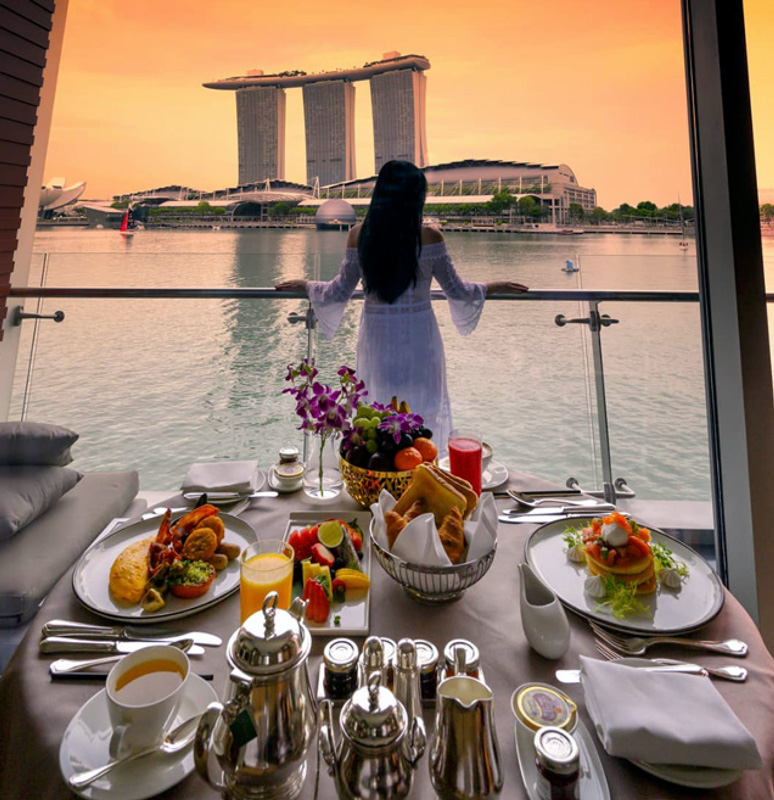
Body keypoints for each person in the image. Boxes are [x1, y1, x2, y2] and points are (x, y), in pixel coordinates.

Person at [275, 160, 528, 447]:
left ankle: (382, 479)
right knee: (423, 412)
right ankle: (423, 473)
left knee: (380, 412)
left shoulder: (360, 235)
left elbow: (338, 291)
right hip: (421, 338)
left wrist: (305, 286)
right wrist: (495, 286)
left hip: (378, 338)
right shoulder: (430, 237)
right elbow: (457, 290)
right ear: (416, 197)